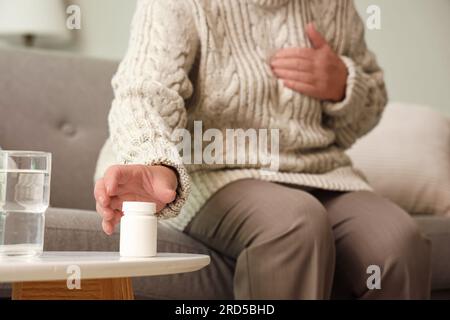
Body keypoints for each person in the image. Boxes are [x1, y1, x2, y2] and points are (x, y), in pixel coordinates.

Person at [94, 0, 431, 299]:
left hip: (321, 174)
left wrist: (343, 86)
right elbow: (142, 93)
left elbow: (366, 113)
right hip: (213, 172)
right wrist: (155, 161)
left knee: (398, 241)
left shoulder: (335, 5)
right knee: (295, 223)